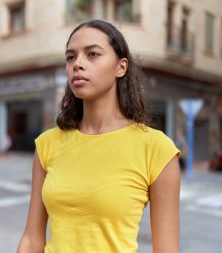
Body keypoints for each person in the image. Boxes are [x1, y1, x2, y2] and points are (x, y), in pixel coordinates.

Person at [17, 20, 180, 253]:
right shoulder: (47, 144)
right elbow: (32, 240)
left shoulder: (157, 149)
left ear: (120, 67)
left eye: (92, 54)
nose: (78, 64)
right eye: (70, 57)